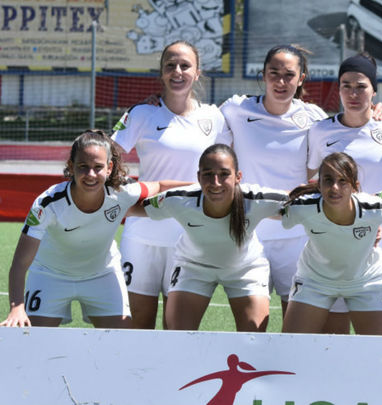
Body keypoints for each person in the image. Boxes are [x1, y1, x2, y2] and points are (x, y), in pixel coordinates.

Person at [220, 45, 382, 326]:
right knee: (251, 327)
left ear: (301, 78)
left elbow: (334, 165)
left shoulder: (314, 118)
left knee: (299, 331)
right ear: (262, 75)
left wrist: (377, 109)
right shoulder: (235, 109)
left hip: (297, 235)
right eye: (274, 73)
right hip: (250, 234)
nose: (281, 81)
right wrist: (158, 100)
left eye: (289, 75)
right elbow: (196, 120)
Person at [0, 130, 177, 328]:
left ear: (109, 168)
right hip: (50, 275)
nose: (90, 174)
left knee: (121, 341)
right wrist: (17, 307)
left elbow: (159, 186)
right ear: (71, 166)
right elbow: (20, 263)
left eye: (98, 167)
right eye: (83, 166)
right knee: (33, 338)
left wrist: (199, 188)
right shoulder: (47, 203)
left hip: (102, 274)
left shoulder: (122, 192)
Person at [112, 40, 232, 329]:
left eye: (185, 66)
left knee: (178, 330)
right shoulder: (141, 113)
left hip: (189, 239)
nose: (177, 71)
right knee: (136, 327)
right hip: (141, 236)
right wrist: (128, 194)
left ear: (197, 72)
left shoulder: (214, 118)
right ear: (161, 72)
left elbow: (228, 169)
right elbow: (107, 158)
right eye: (170, 66)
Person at [306, 53, 382, 332]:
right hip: (336, 241)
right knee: (335, 334)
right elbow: (311, 181)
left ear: (374, 90)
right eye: (346, 86)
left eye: (361, 86)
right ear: (338, 88)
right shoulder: (320, 131)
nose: (353, 94)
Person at [139, 144, 288, 331]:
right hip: (193, 267)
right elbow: (133, 207)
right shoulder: (179, 199)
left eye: (224, 174)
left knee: (253, 337)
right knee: (178, 336)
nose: (216, 182)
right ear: (198, 177)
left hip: (245, 268)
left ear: (238, 177)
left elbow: (299, 202)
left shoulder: (256, 199)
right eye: (208, 174)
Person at [281, 153, 382, 335]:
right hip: (315, 280)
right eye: (328, 180)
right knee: (292, 344)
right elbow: (270, 208)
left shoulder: (374, 209)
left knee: (377, 348)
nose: (334, 187)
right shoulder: (303, 207)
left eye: (343, 181)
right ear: (319, 184)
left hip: (366, 281)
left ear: (355, 186)